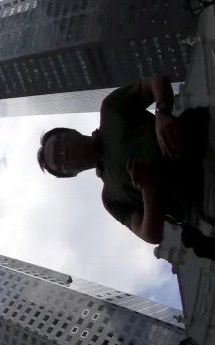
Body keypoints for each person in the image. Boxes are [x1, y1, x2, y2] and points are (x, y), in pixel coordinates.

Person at [37, 75, 209, 245]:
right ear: (71, 174)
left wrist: (162, 112)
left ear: (70, 131)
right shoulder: (111, 199)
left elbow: (156, 82)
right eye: (59, 162)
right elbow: (150, 234)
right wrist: (149, 190)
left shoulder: (111, 108)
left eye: (59, 143)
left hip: (204, 133)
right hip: (204, 195)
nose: (64, 152)